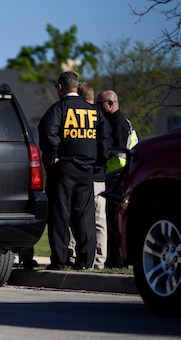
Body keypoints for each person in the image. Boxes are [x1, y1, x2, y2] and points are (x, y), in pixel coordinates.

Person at [38, 72, 110, 270]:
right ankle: (85, 262)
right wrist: (98, 164)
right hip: (87, 171)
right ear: (76, 87)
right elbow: (104, 139)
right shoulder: (94, 111)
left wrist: (52, 158)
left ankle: (60, 262)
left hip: (64, 170)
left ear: (61, 87)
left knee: (60, 216)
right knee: (85, 217)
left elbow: (46, 132)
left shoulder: (59, 109)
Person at [96, 90, 137, 268]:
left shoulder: (117, 122)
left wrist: (100, 159)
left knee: (114, 220)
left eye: (100, 104)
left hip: (117, 176)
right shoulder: (119, 120)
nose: (98, 108)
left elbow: (118, 150)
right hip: (120, 175)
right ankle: (115, 260)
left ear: (110, 104)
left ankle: (117, 262)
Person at [78, 83, 109, 269]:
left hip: (86, 174)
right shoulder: (101, 117)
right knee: (100, 220)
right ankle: (100, 260)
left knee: (83, 217)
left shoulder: (85, 116)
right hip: (99, 175)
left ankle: (82, 258)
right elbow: (104, 148)